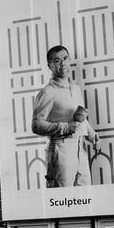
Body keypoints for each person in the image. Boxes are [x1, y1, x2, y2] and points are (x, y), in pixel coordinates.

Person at [30, 44, 100, 189]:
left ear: (69, 60)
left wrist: (93, 136)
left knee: (86, 195)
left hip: (80, 149)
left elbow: (81, 119)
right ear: (50, 66)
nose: (62, 63)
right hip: (60, 149)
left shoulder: (75, 88)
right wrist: (66, 127)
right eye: (57, 61)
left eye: (65, 58)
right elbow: (36, 125)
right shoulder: (47, 92)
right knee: (63, 197)